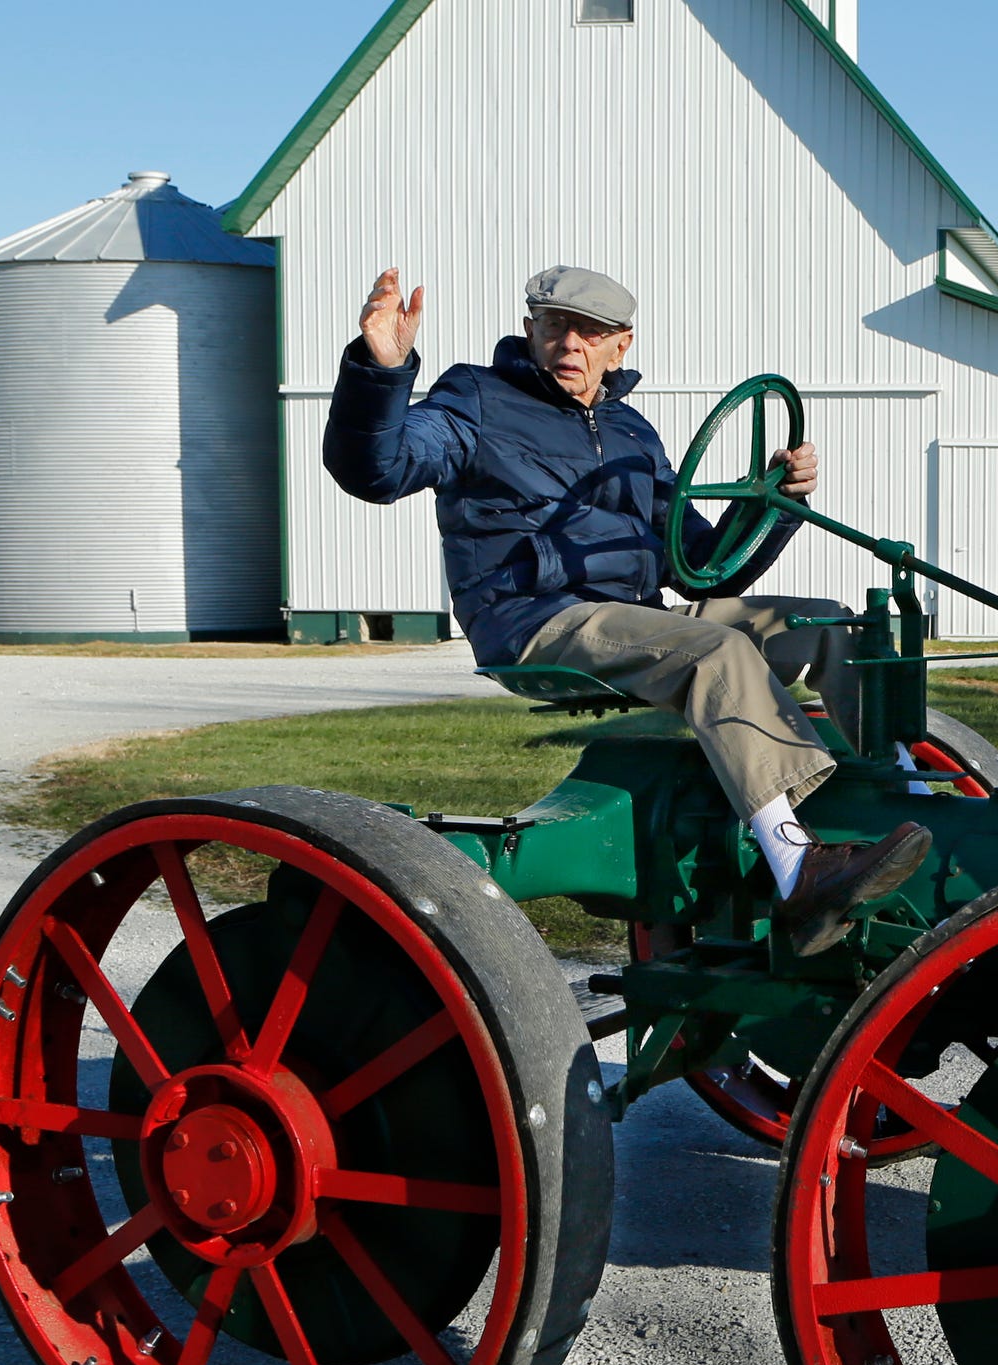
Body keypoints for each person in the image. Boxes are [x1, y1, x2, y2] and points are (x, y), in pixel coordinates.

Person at [322, 264, 928, 955]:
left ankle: (902, 792)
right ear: (531, 331)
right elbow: (376, 470)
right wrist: (380, 371)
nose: (570, 344)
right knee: (718, 654)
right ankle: (800, 871)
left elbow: (696, 562)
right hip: (533, 619)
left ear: (622, 345)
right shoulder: (476, 400)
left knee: (829, 624)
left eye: (591, 332)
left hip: (636, 611)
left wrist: (772, 503)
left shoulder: (633, 431)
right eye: (555, 327)